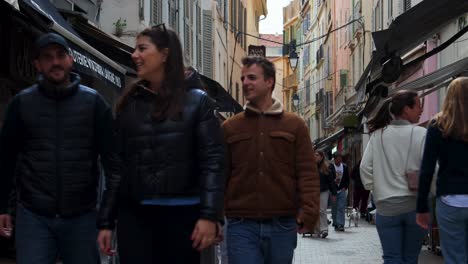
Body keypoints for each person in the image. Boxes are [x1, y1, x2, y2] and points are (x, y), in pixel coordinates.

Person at [100, 24, 225, 263]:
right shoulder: (129, 105)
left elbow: (213, 164)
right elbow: (117, 170)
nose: (134, 55)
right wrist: (106, 222)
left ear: (165, 54)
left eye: (142, 48)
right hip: (135, 219)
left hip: (184, 219)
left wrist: (210, 216)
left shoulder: (198, 103)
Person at [0, 33, 116, 264]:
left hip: (82, 216)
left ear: (70, 60)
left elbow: (114, 165)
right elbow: (5, 159)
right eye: (48, 57)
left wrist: (106, 220)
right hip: (34, 216)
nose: (55, 62)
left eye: (61, 55)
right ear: (37, 64)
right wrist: (2, 206)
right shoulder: (21, 104)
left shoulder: (94, 104)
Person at [222, 56, 320, 264]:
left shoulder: (295, 125)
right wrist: (214, 216)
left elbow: (307, 173)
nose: (245, 83)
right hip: (241, 225)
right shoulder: (230, 127)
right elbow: (220, 174)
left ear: (269, 82)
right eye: (243, 78)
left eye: (252, 77)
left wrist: (309, 213)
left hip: (282, 225)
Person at [360, 90, 426, 264]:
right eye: (419, 106)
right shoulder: (422, 134)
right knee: (411, 258)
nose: (421, 110)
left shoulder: (377, 136)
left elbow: (365, 168)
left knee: (391, 258)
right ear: (406, 109)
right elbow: (433, 169)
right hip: (415, 207)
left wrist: (376, 188)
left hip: (387, 208)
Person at [416, 77, 468, 264]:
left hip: (449, 199)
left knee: (454, 257)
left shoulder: (438, 125)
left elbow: (427, 169)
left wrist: (422, 206)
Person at [314, 150, 336, 238]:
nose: (315, 157)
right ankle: (317, 229)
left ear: (321, 156)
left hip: (324, 191)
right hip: (314, 191)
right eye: (314, 155)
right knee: (315, 210)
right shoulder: (312, 166)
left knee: (322, 210)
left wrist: (334, 193)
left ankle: (324, 229)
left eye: (317, 155)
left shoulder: (327, 166)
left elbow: (331, 181)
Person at [330, 152, 349, 231]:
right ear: (334, 159)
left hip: (342, 189)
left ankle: (340, 224)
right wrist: (333, 182)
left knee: (341, 207)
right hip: (333, 190)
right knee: (334, 207)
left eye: (340, 158)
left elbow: (347, 178)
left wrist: (345, 187)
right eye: (338, 159)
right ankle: (335, 222)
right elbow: (329, 179)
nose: (339, 160)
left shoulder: (344, 167)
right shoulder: (330, 167)